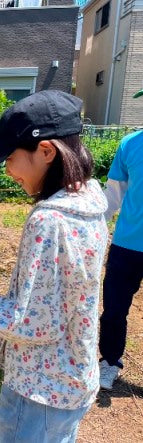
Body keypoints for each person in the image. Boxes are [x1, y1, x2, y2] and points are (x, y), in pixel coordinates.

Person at [0, 90, 108, 442]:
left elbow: (34, 323)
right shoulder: (91, 203)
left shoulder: (49, 220)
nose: (6, 171)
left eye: (9, 159)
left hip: (39, 390)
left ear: (46, 151)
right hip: (71, 380)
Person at [97, 88, 143, 390]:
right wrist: (95, 229)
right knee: (114, 308)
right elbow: (113, 198)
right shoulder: (129, 144)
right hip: (127, 245)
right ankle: (109, 361)